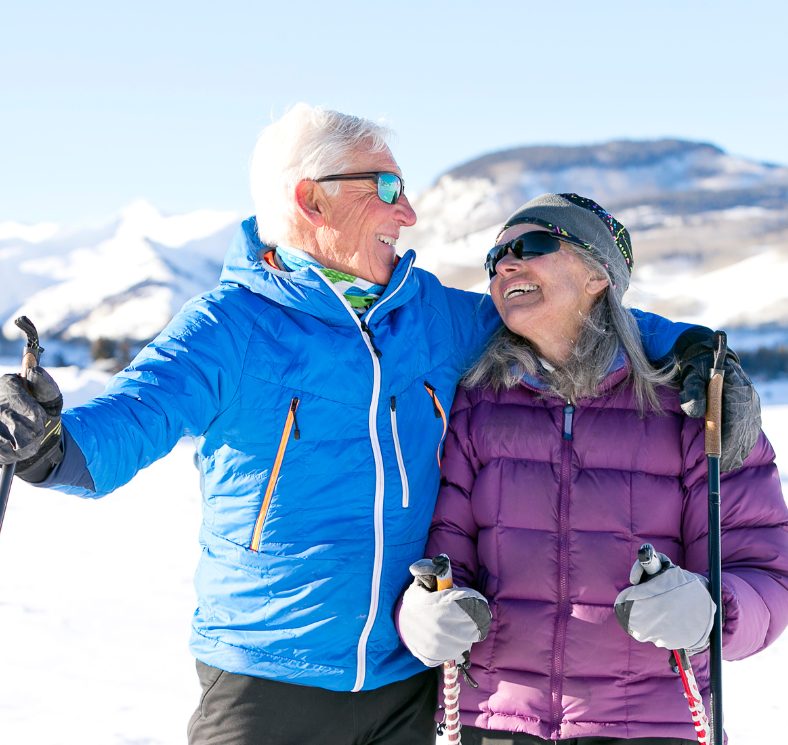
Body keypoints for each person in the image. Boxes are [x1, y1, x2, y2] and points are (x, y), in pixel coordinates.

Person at [0, 109, 762, 745]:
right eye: (388, 188)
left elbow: (571, 314)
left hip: (408, 682)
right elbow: (126, 424)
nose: (409, 212)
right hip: (271, 677)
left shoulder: (429, 314)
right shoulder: (228, 329)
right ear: (313, 200)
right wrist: (46, 442)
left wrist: (693, 348)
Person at [397, 193, 788, 744]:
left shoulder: (697, 405)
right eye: (495, 258)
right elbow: (445, 556)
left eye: (530, 246)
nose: (505, 264)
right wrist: (423, 613)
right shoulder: (476, 406)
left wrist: (709, 615)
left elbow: (765, 571)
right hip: (500, 723)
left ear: (598, 275)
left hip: (654, 725)